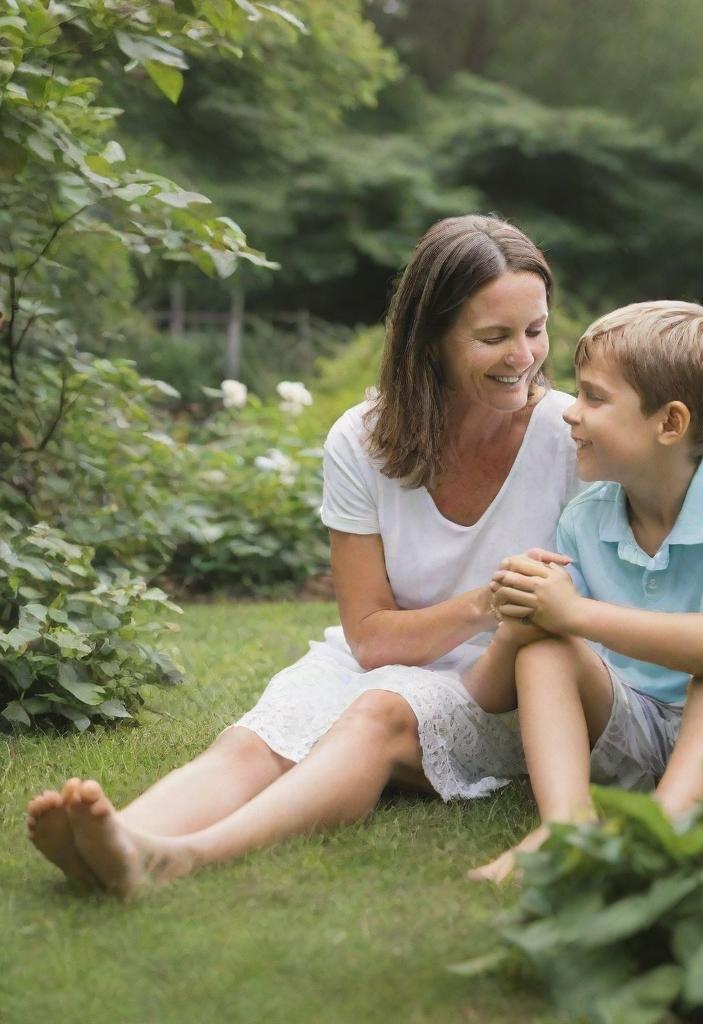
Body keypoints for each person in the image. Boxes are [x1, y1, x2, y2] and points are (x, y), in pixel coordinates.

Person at [25, 214, 580, 898]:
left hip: (501, 687)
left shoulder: (573, 438)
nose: (524, 357)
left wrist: (500, 619)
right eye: (494, 337)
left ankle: (180, 856)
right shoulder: (365, 438)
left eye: (536, 329)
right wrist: (483, 603)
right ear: (430, 340)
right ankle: (115, 837)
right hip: (381, 654)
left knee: (378, 712)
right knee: (257, 739)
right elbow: (370, 637)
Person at [463, 300, 703, 883]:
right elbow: (489, 697)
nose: (571, 412)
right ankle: (566, 829)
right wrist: (526, 618)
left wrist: (576, 612)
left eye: (594, 397)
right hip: (646, 735)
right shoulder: (585, 517)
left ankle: (655, 842)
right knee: (547, 649)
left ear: (670, 423)